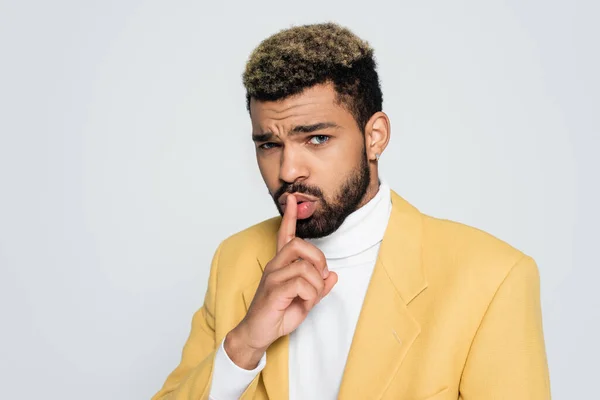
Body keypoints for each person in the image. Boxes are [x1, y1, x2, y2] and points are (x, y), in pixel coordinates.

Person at [152, 22, 551, 400]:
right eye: (269, 145)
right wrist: (244, 344)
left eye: (317, 138)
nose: (289, 171)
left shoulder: (492, 277)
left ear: (374, 137)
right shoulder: (234, 261)